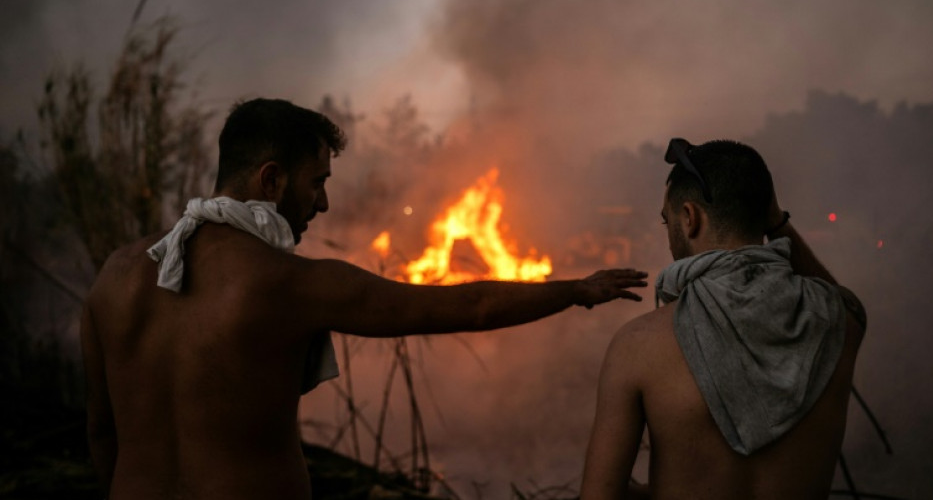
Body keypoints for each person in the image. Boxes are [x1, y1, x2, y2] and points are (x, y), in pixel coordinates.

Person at [81, 98, 649, 500]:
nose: (323, 205)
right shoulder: (285, 283)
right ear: (271, 181)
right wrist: (575, 290)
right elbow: (466, 308)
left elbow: (102, 433)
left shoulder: (115, 279)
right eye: (317, 183)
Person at [580, 139, 866, 499]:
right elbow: (840, 298)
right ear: (766, 215)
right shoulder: (839, 323)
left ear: (690, 218)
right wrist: (776, 221)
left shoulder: (637, 346)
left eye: (668, 221)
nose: (668, 236)